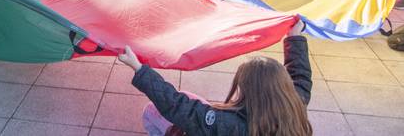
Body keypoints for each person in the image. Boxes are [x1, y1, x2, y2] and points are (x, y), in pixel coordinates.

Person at [119, 19, 311, 136]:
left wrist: (139, 68)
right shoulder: (295, 103)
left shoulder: (230, 126)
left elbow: (178, 107)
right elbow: (300, 76)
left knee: (151, 113)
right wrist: (295, 37)